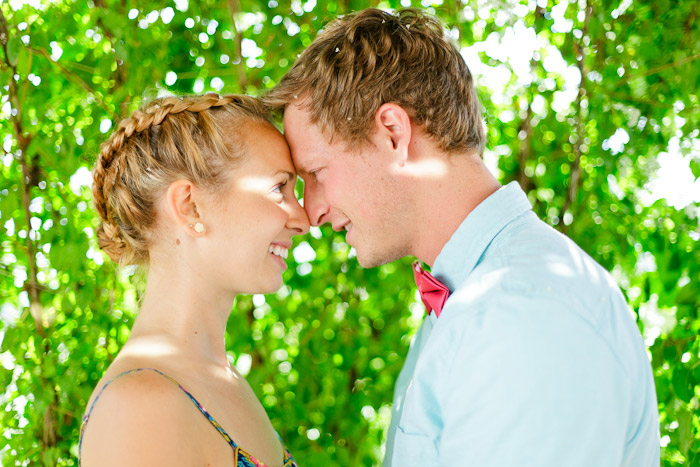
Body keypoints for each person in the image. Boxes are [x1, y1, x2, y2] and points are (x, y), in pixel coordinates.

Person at [264, 8, 660, 466]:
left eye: (316, 172)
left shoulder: (520, 314)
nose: (311, 212)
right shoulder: (478, 299)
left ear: (393, 134)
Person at [80, 93, 308, 467]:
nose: (303, 219)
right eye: (279, 188)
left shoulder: (221, 380)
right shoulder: (139, 406)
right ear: (190, 206)